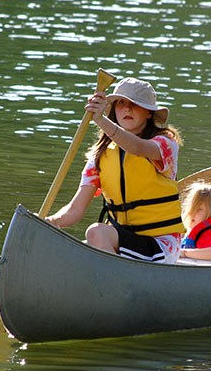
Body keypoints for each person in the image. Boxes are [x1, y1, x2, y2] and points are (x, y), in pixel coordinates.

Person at [44, 77, 184, 263]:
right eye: (121, 103)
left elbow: (137, 148)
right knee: (77, 248)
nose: (127, 108)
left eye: (135, 104)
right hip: (123, 241)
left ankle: (114, 285)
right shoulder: (99, 157)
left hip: (160, 244)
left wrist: (100, 121)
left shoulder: (165, 144)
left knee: (96, 232)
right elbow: (75, 210)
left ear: (149, 113)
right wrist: (48, 222)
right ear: (114, 110)